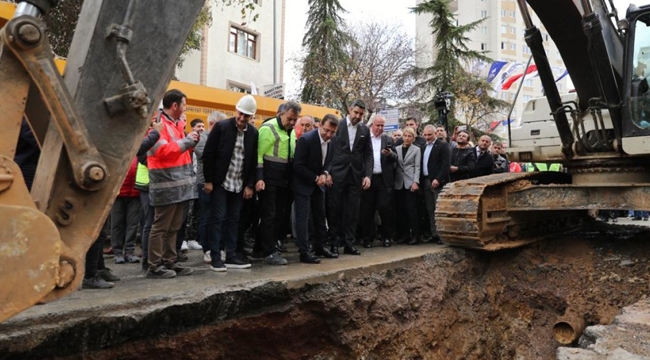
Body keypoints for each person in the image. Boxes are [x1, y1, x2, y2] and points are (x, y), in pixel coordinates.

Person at [202, 95, 259, 271]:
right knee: (217, 218)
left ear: (251, 117)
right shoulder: (221, 127)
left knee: (234, 219)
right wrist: (209, 181)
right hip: (221, 182)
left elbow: (251, 161)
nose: (242, 118)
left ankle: (231, 256)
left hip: (239, 183)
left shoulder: (253, 133)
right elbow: (208, 154)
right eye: (240, 114)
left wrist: (249, 185)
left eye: (246, 116)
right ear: (236, 110)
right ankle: (216, 256)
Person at [146, 89, 198, 279]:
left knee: (173, 227)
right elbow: (162, 152)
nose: (185, 108)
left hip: (178, 186)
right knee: (160, 227)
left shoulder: (176, 124)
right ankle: (154, 266)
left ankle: (169, 261)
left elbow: (177, 151)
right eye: (184, 104)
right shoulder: (158, 124)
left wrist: (188, 141)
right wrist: (186, 141)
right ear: (175, 105)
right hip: (166, 185)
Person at [256, 101, 301, 265]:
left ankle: (262, 247)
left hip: (284, 179)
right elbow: (259, 155)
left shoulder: (291, 131)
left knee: (279, 215)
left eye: (295, 120)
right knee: (269, 215)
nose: (292, 122)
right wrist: (259, 177)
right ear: (281, 113)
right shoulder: (269, 128)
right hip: (269, 178)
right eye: (289, 118)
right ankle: (268, 252)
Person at [327, 99, 373, 256]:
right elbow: (330, 150)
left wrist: (367, 175)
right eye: (356, 113)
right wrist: (328, 172)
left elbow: (368, 154)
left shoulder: (364, 130)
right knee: (335, 210)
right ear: (349, 110)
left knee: (353, 211)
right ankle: (333, 243)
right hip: (337, 174)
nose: (358, 116)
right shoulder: (337, 126)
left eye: (361, 114)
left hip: (356, 176)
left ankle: (349, 243)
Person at [292, 114, 340, 263]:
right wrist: (315, 177)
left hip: (319, 185)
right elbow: (298, 165)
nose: (329, 135)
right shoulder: (306, 140)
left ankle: (320, 246)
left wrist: (325, 173)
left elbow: (329, 161)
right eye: (326, 131)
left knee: (320, 216)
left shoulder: (332, 141)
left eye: (332, 132)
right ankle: (304, 251)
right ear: (319, 126)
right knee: (303, 218)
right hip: (303, 184)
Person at [194, 111, 227, 264]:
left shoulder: (220, 138)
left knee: (219, 216)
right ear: (213, 124)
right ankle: (207, 248)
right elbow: (208, 157)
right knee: (206, 216)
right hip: (205, 183)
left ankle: (218, 247)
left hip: (219, 183)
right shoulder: (203, 139)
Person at [360, 114, 397, 248]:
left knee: (385, 208)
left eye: (382, 126)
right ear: (372, 125)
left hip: (383, 179)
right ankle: (367, 238)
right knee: (367, 210)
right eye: (378, 125)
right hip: (368, 179)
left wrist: (390, 154)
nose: (380, 128)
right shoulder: (364, 139)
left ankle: (387, 237)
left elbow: (395, 158)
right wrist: (364, 176)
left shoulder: (388, 139)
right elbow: (361, 158)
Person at [420, 124, 450, 242]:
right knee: (430, 208)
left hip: (438, 182)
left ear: (435, 134)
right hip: (426, 181)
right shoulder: (423, 147)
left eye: (429, 135)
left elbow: (445, 165)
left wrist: (438, 179)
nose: (427, 137)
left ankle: (442, 235)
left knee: (439, 209)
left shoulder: (443, 146)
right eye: (425, 135)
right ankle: (434, 234)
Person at [110, 157, 142, 264]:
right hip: (118, 193)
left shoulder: (139, 151)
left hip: (135, 192)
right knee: (117, 224)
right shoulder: (118, 151)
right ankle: (117, 252)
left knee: (133, 224)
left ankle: (129, 251)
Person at [394, 127, 422, 245]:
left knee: (411, 209)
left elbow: (417, 167)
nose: (407, 138)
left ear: (413, 138)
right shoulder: (397, 149)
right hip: (399, 182)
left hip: (410, 182)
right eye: (405, 136)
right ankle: (404, 235)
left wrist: (416, 182)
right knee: (401, 210)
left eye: (409, 136)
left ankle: (415, 235)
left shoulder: (416, 150)